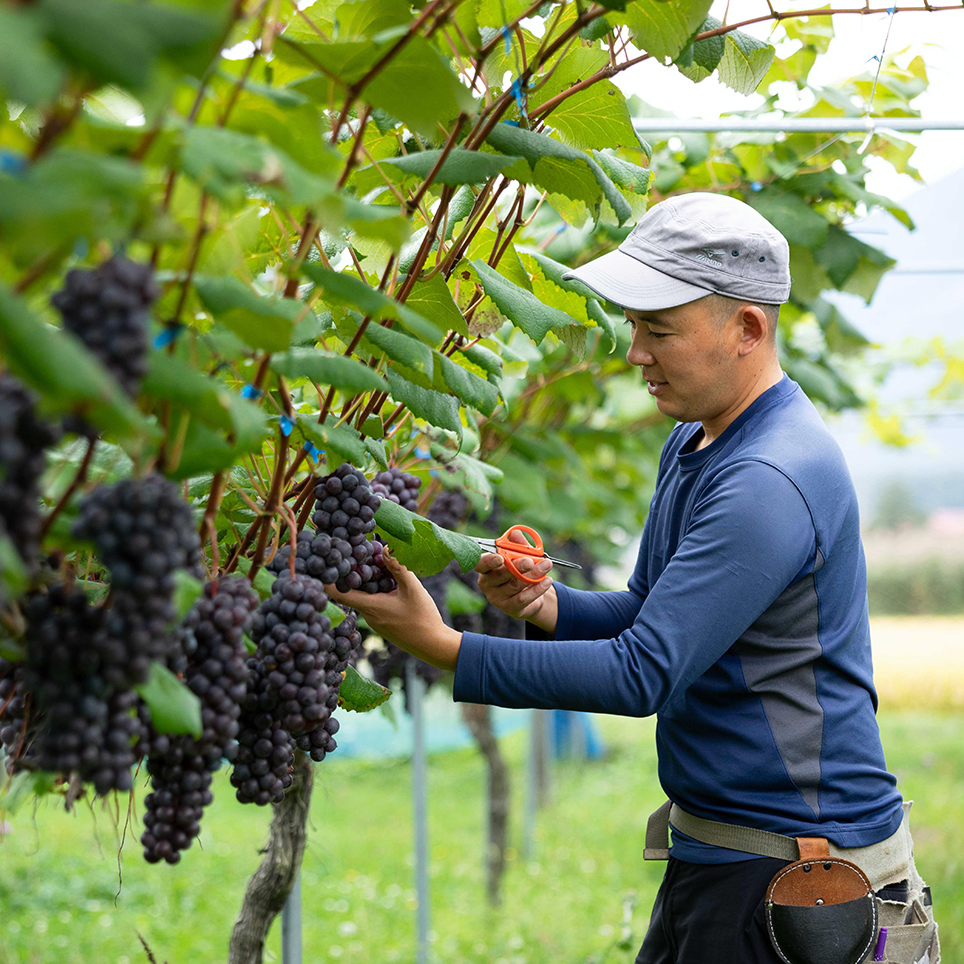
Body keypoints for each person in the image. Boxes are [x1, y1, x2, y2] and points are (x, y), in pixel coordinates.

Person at [327, 192, 939, 964]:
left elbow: (643, 673)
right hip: (724, 853)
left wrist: (447, 648)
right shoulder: (697, 440)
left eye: (659, 330)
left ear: (747, 328)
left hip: (795, 877)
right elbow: (651, 615)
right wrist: (549, 607)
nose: (635, 353)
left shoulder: (768, 478)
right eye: (634, 327)